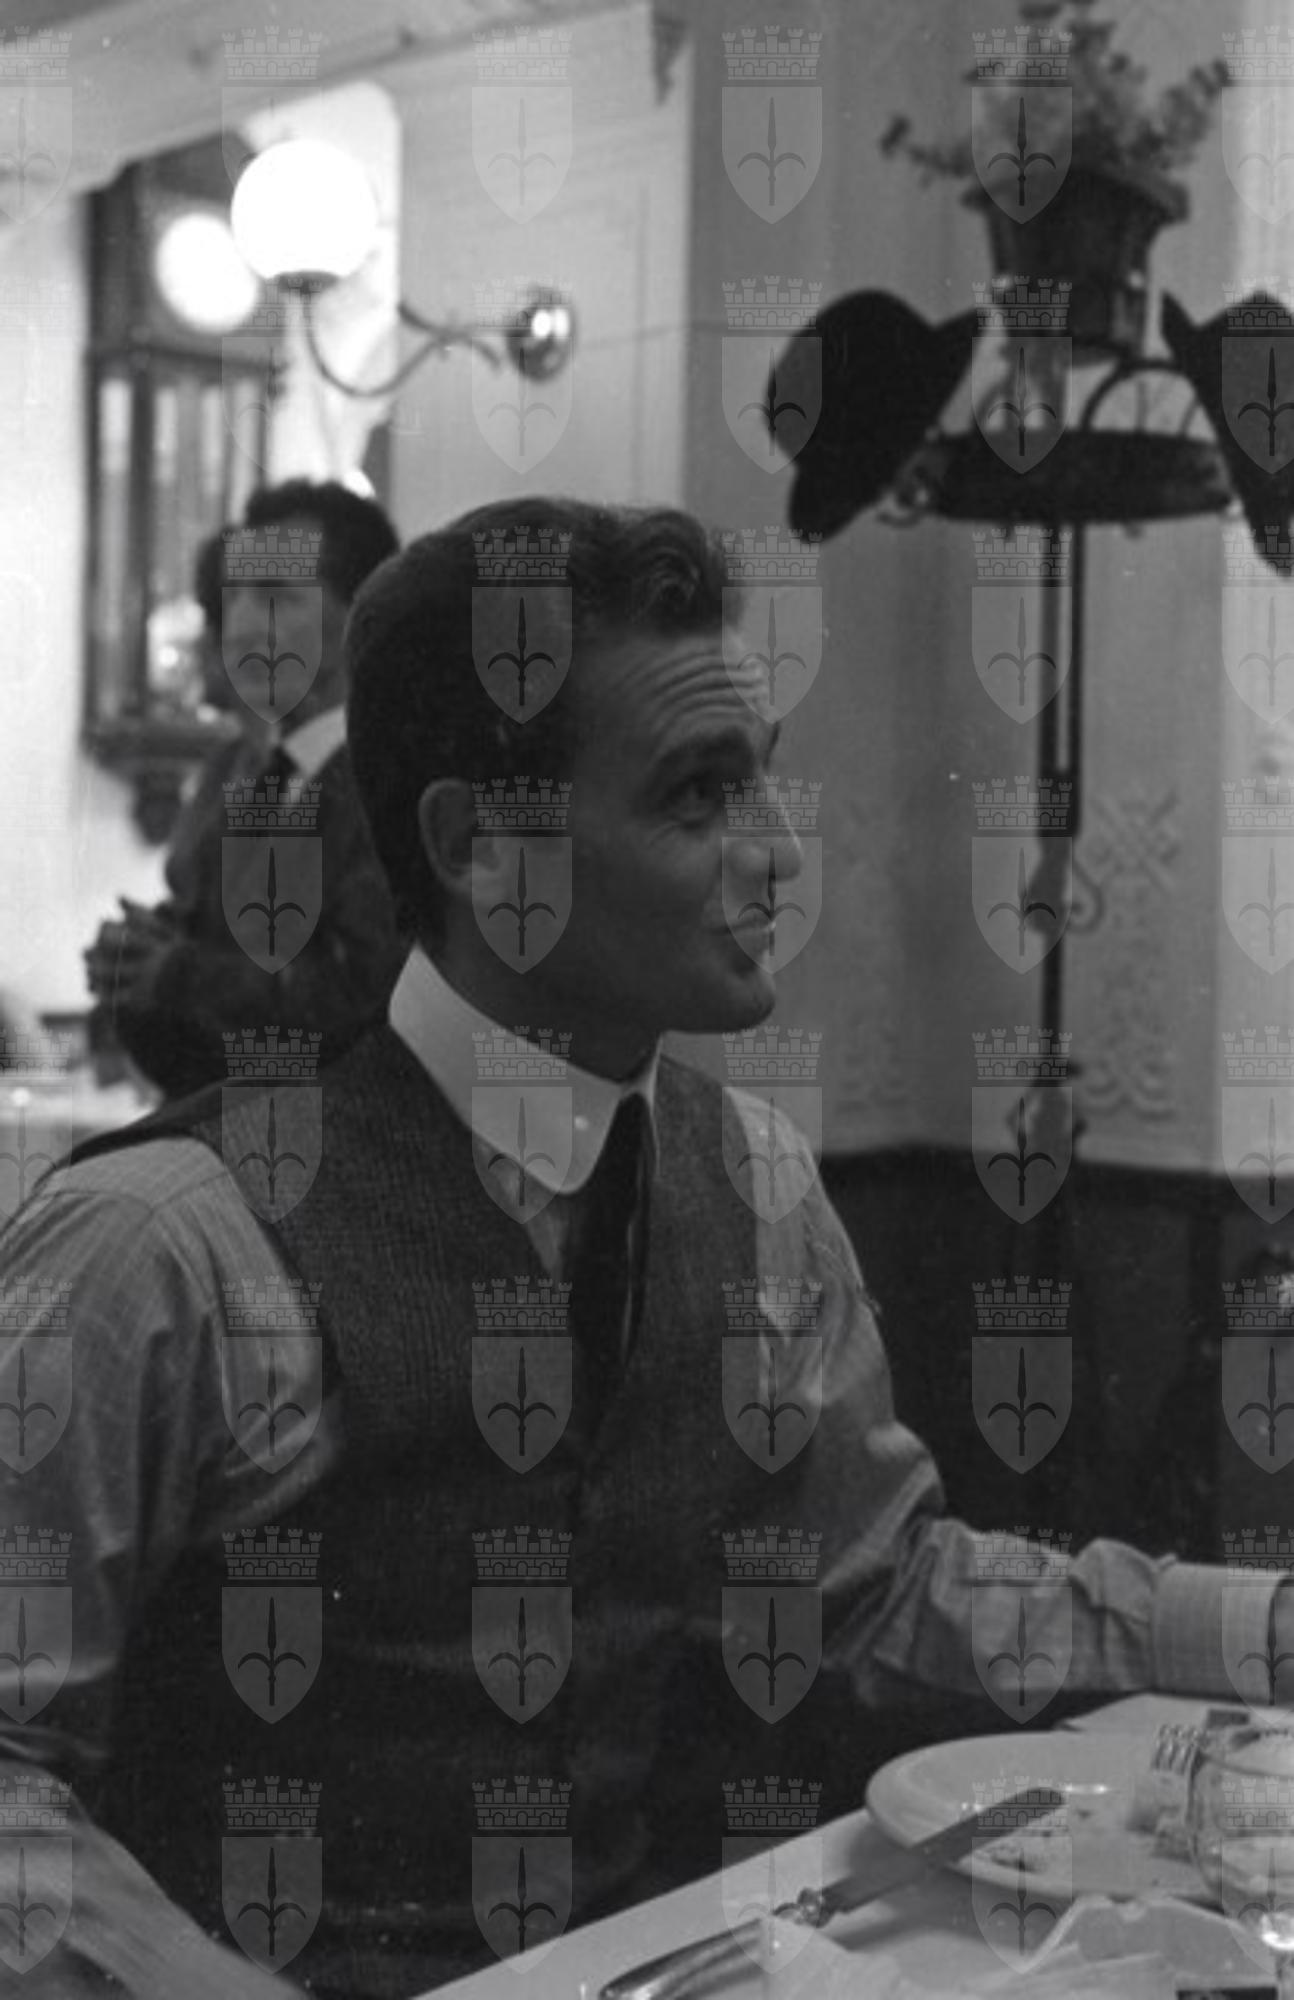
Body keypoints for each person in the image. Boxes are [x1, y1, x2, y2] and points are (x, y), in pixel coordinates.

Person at [0, 497, 1287, 2000]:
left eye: (764, 780)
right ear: (480, 848)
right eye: (696, 795)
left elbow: (873, 1591)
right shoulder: (159, 1247)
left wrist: (1260, 1625)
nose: (778, 856)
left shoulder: (753, 1186)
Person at [83, 480, 406, 1101]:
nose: (242, 626)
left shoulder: (389, 780)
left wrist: (177, 973)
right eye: (237, 598)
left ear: (361, 613)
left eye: (276, 596)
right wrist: (133, 962)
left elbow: (367, 1001)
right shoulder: (254, 778)